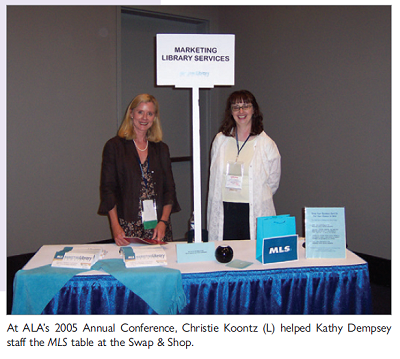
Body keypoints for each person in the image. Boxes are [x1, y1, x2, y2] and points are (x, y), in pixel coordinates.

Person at [98, 94, 180, 246]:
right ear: (131, 113)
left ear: (154, 117)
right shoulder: (115, 146)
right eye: (140, 112)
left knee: (159, 267)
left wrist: (163, 221)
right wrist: (115, 226)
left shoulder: (161, 148)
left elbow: (169, 189)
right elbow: (108, 190)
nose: (144, 118)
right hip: (127, 224)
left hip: (158, 225)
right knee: (131, 266)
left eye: (150, 113)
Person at [207, 90, 281, 241]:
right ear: (231, 112)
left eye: (246, 106)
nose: (241, 111)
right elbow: (214, 176)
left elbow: (273, 183)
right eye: (236, 107)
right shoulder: (220, 140)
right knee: (224, 256)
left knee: (254, 256)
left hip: (253, 210)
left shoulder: (266, 144)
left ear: (254, 110)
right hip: (224, 210)